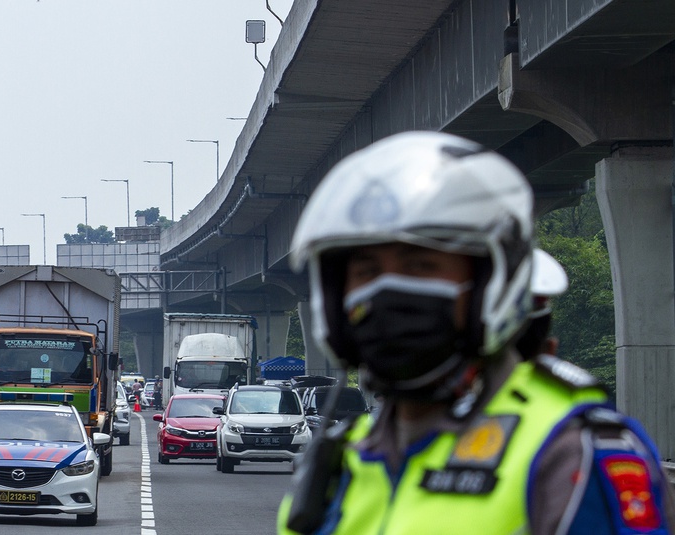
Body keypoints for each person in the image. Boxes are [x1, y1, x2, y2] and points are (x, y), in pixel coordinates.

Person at [278, 132, 675, 534]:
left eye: (421, 265)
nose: (387, 291)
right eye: (366, 271)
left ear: (491, 284)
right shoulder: (339, 461)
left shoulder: (568, 452)